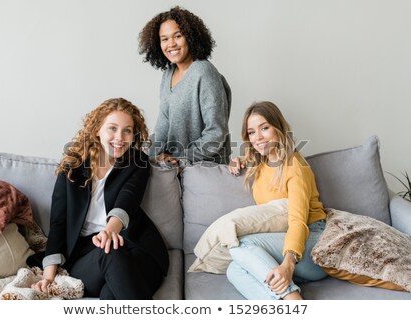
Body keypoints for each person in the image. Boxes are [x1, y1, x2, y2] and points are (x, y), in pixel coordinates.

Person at [29, 98, 169, 299]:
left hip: (137, 248)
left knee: (110, 295)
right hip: (88, 257)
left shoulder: (137, 162)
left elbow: (127, 200)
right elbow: (59, 223)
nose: (120, 137)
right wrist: (49, 277)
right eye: (112, 128)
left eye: (127, 130)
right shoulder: (72, 167)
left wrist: (109, 232)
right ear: (97, 130)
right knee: (109, 251)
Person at [227, 101, 327, 300]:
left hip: (312, 248)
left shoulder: (294, 166)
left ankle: (293, 301)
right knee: (234, 270)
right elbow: (252, 153)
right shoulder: (262, 161)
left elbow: (298, 221)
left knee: (240, 244)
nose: (258, 138)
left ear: (278, 128)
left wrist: (288, 264)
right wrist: (236, 160)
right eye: (252, 132)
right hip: (281, 244)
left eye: (264, 128)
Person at [138, 6, 232, 166]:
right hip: (176, 166)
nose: (171, 44)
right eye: (164, 39)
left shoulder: (204, 72)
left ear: (190, 37)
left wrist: (181, 158)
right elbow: (162, 127)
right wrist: (146, 157)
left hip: (205, 167)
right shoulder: (168, 74)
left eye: (178, 36)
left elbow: (216, 132)